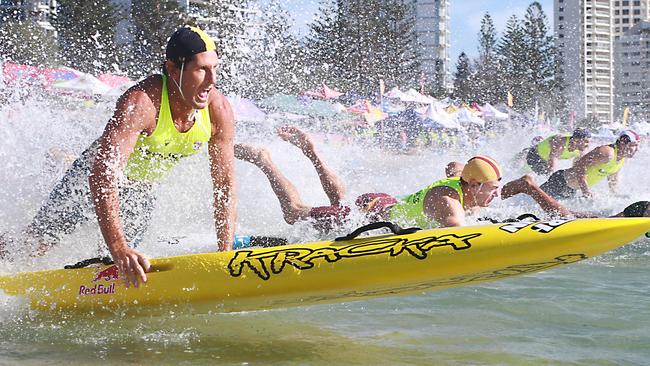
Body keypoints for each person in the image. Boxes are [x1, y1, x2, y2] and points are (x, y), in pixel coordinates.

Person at [13, 26, 237, 287]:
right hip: (88, 183)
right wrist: (118, 248)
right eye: (202, 69)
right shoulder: (142, 103)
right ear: (173, 70)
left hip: (141, 193)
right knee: (33, 246)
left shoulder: (218, 110)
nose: (212, 80)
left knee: (120, 270)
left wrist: (226, 255)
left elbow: (225, 186)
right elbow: (102, 176)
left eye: (215, 68)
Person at [235, 126, 572, 231]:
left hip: (389, 203)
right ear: (471, 187)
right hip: (373, 212)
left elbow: (455, 167)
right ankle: (266, 160)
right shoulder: (449, 202)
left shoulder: (468, 185)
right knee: (296, 212)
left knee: (338, 200)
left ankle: (311, 151)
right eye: (491, 190)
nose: (494, 196)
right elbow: (461, 236)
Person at [540, 130, 640, 200]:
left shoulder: (622, 158)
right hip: (560, 182)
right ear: (623, 142)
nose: (637, 149)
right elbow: (579, 165)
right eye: (634, 145)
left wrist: (614, 194)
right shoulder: (607, 153)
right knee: (531, 201)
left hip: (571, 189)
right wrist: (585, 191)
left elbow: (612, 175)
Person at [526, 128, 592, 176]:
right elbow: (553, 160)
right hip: (535, 156)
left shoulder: (583, 151)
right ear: (576, 140)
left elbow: (577, 167)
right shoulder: (561, 142)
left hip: (545, 160)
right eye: (586, 142)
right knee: (544, 176)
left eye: (589, 141)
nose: (588, 145)